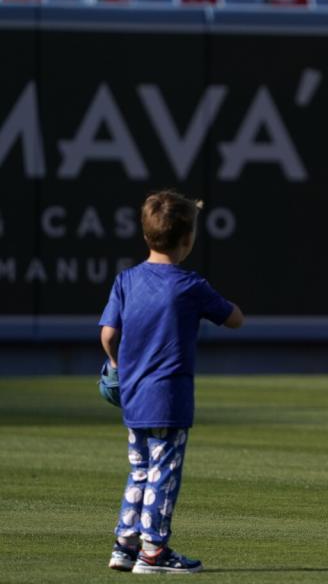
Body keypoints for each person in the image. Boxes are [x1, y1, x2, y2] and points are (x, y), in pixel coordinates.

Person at [99, 190, 244, 573]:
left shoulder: (126, 280)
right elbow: (234, 318)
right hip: (169, 396)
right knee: (164, 471)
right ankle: (154, 551)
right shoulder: (189, 285)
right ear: (187, 240)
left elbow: (108, 334)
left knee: (139, 469)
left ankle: (124, 544)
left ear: (146, 235)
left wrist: (116, 365)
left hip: (134, 395)